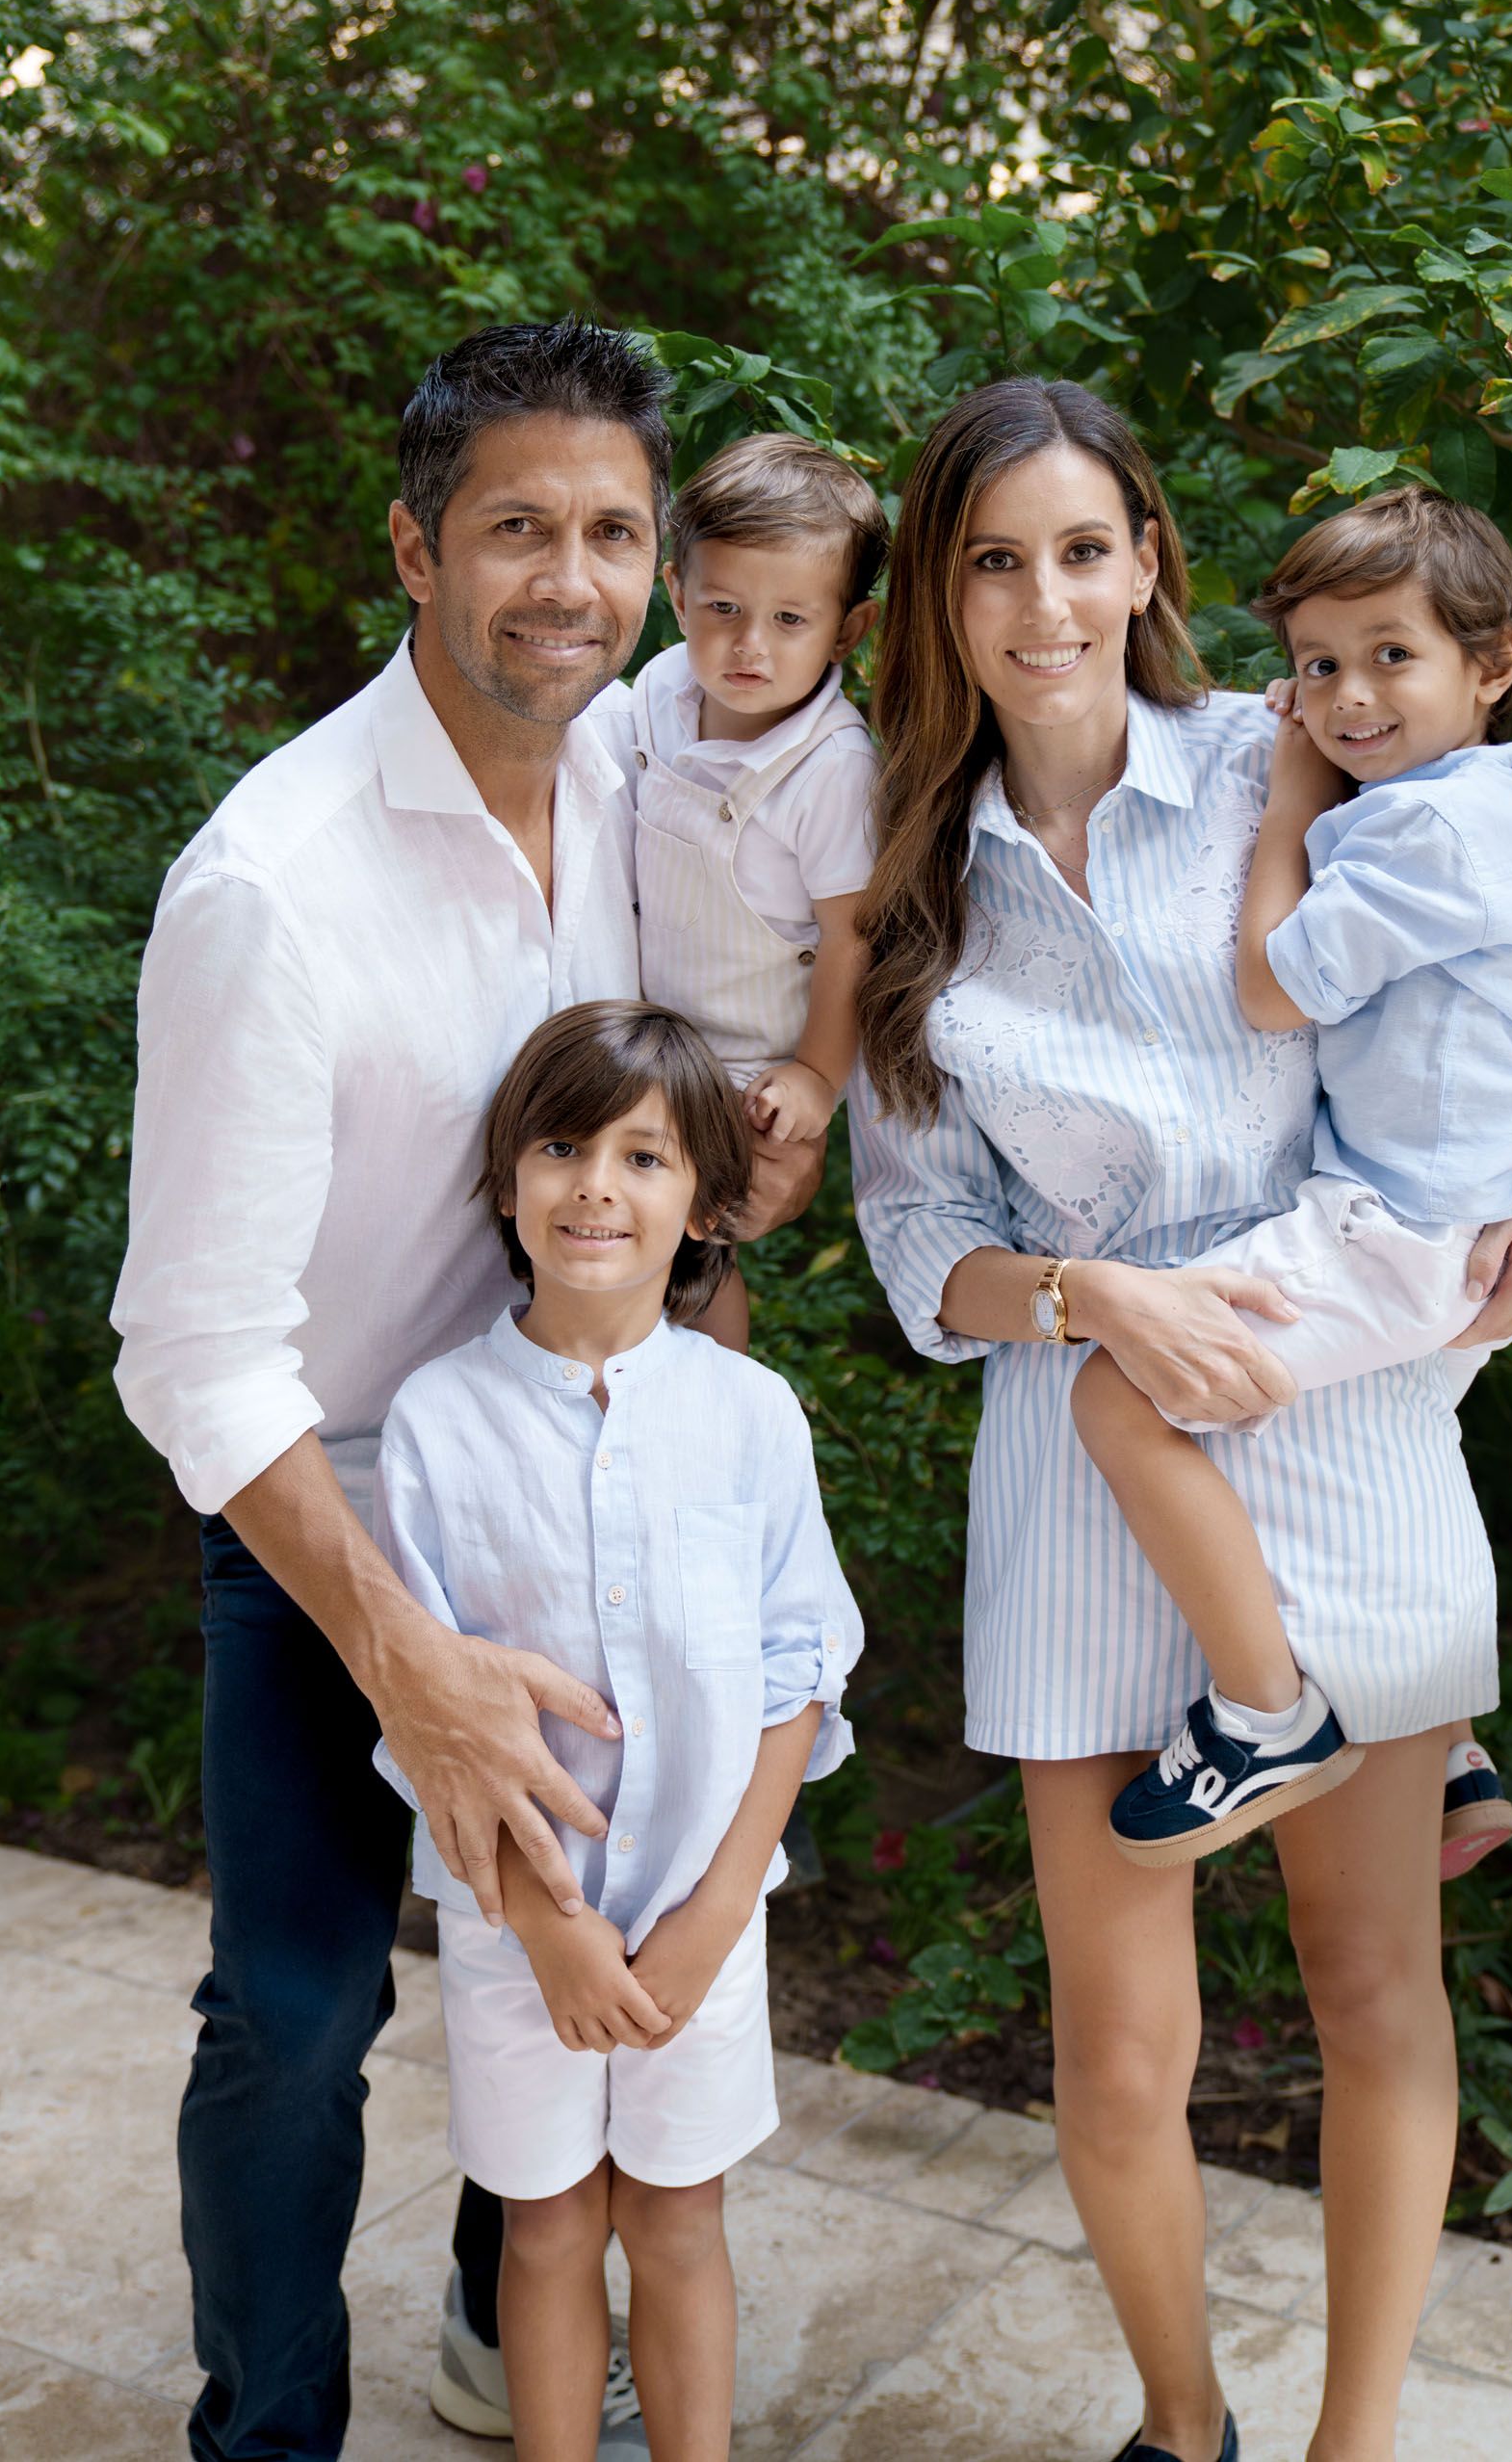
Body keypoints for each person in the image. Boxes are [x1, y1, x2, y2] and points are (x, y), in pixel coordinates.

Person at [848, 378, 1512, 2462]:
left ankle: (1354, 2441)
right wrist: (1096, 1294)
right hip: (1085, 1421)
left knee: (1375, 1996)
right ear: (939, 592)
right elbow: (920, 1251)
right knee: (1116, 2053)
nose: (1043, 599)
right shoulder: (909, 888)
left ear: (1149, 564)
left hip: (1334, 1395)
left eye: (1082, 548)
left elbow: (1502, 979)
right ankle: (1184, 2427)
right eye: (993, 558)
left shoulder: (1292, 749)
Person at [110, 320, 821, 2462]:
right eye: (518, 528)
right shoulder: (273, 887)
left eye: (613, 531)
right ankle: (270, 2430)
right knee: (305, 2009)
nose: (574, 581)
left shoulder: (633, 767)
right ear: (413, 549)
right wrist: (403, 1654)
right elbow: (191, 1350)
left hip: (592, 1465)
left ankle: (494, 2328)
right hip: (331, 1512)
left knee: (585, 1945)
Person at [1078, 489, 1512, 1870]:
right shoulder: (1480, 798)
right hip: (1477, 1210)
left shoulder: (1425, 833)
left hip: (1406, 1229)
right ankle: (1445, 1745)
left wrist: (1293, 794)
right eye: (1319, 664)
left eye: (1392, 656)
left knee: (1126, 1387)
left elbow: (1270, 990)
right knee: (1386, 1457)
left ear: (1494, 664)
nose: (1345, 695)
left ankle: (1268, 1714)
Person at [373, 1000, 861, 2462]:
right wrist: (549, 1923)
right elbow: (423, 1719)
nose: (597, 1185)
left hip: (701, 1922)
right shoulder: (435, 1423)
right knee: (544, 2227)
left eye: (644, 1157)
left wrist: (719, 1908)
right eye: (564, 1146)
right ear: (507, 1184)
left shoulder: (754, 1414)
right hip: (524, 1924)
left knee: (678, 2219)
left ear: (704, 1202)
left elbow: (800, 1667)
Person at [628, 433, 884, 1346]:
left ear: (847, 629)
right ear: (675, 594)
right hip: (642, 1024)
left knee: (684, 1250)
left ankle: (711, 1405)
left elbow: (854, 934)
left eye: (789, 621)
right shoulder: (656, 691)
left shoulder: (829, 767)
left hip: (745, 1065)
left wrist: (817, 1073)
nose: (747, 645)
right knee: (607, 1235)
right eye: (723, 607)